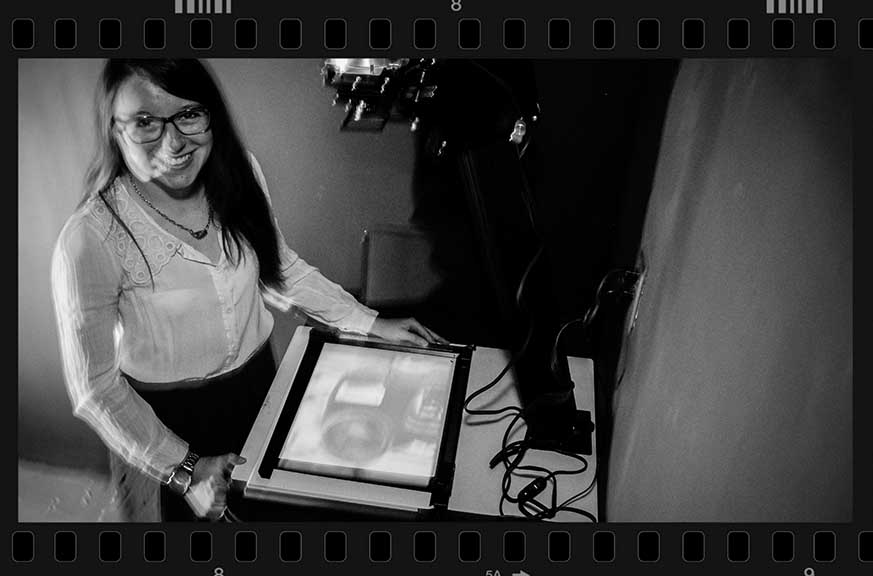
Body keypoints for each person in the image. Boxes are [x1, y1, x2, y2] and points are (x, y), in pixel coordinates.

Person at [50, 59, 447, 522]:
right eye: (145, 123)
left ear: (210, 114)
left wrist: (370, 322)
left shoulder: (240, 176)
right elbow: (94, 388)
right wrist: (186, 467)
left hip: (258, 388)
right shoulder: (89, 238)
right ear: (114, 130)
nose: (174, 142)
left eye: (189, 114)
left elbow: (282, 271)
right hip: (165, 420)